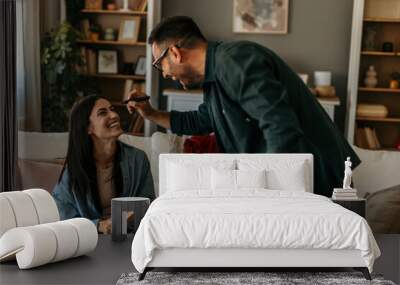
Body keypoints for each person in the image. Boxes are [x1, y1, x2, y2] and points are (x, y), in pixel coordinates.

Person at [126, 16, 360, 197]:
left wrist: (265, 192)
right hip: (296, 180)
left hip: (315, 180)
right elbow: (202, 121)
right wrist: (151, 114)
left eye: (160, 65)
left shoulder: (234, 61)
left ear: (175, 53)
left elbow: (280, 127)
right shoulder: (215, 77)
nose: (165, 74)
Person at [53, 95, 155, 234]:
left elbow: (149, 202)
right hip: (90, 241)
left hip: (130, 237)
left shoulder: (138, 159)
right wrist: (99, 225)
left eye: (112, 109)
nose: (114, 115)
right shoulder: (74, 169)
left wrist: (130, 216)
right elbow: (63, 216)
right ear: (88, 128)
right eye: (103, 113)